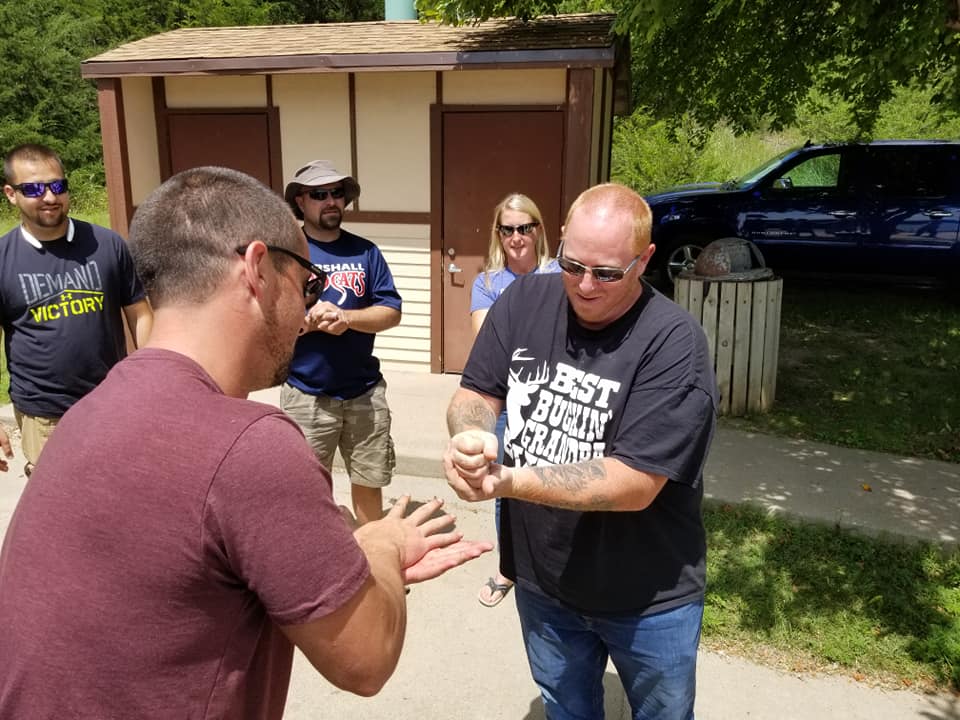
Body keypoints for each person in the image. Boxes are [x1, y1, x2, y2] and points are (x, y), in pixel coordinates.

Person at [0, 166, 491, 718]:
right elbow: (367, 659)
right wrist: (383, 543)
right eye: (309, 282)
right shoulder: (250, 445)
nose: (308, 305)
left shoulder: (90, 411)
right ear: (258, 269)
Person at [444, 182, 718, 719]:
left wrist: (508, 480)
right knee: (566, 710)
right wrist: (471, 434)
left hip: (648, 597)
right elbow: (476, 391)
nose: (585, 285)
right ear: (562, 241)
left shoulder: (674, 343)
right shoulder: (524, 299)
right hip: (545, 583)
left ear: (645, 260)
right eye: (572, 265)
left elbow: (634, 483)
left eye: (607, 273)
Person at [0, 143, 152, 476]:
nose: (49, 197)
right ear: (11, 194)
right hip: (44, 415)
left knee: (121, 491)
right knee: (60, 508)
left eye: (57, 186)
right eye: (34, 189)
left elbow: (140, 316)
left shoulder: (107, 244)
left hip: (112, 403)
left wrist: (159, 380)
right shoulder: (2, 259)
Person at [281, 160, 401, 525]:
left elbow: (391, 312)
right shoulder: (286, 253)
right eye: (320, 194)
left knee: (368, 482)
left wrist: (347, 318)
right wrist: (310, 322)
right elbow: (270, 318)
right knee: (307, 491)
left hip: (364, 392)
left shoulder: (365, 252)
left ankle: (373, 562)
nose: (331, 201)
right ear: (301, 202)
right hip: (306, 395)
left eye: (337, 193)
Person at [470, 192, 558, 608]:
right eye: (508, 229)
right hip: (507, 408)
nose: (517, 237)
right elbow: (486, 345)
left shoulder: (561, 274)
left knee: (558, 483)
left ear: (538, 230)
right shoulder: (487, 283)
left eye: (525, 228)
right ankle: (510, 567)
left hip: (556, 400)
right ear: (498, 233)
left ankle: (553, 565)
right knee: (505, 488)